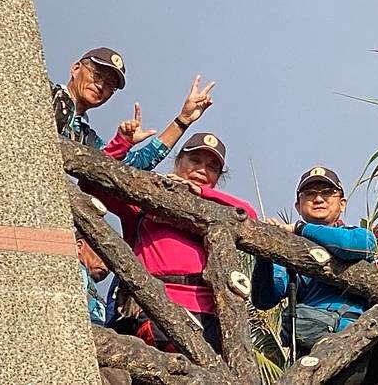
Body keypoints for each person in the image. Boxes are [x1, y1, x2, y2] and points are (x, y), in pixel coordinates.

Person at [81, 132, 257, 352]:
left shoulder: (220, 214)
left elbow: (249, 214)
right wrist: (122, 143)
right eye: (194, 160)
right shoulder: (146, 201)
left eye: (212, 167)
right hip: (154, 305)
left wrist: (200, 193)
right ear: (178, 161)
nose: (202, 170)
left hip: (208, 314)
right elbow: (90, 182)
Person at [251, 166, 378, 383]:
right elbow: (264, 299)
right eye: (310, 194)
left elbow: (354, 248)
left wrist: (300, 228)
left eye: (327, 193)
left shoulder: (358, 235)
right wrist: (264, 249)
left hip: (358, 341)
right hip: (311, 347)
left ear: (342, 203)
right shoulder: (290, 250)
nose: (318, 198)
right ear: (298, 205)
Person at [52, 46, 215, 170]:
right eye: (97, 75)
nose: (101, 85)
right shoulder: (46, 92)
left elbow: (135, 165)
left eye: (110, 85)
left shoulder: (85, 138)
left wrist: (183, 120)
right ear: (76, 69)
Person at [76, 229, 109, 326]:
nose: (108, 266)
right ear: (79, 247)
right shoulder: (77, 273)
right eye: (103, 254)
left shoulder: (89, 282)